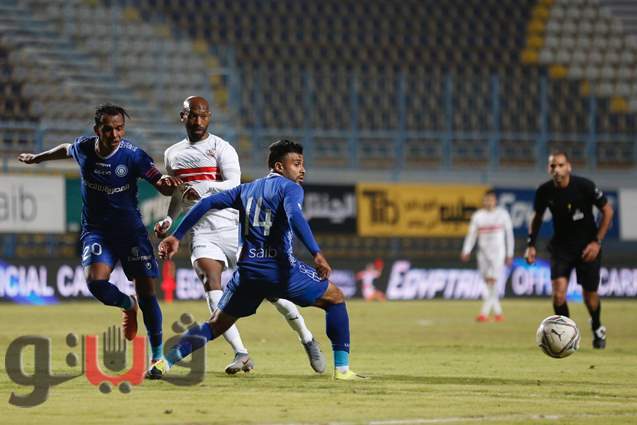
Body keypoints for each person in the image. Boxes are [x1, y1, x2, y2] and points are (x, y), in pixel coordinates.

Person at [148, 139, 366, 380]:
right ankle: (342, 369)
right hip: (279, 270)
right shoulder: (290, 188)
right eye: (296, 164)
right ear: (279, 167)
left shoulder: (246, 189)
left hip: (248, 273)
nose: (302, 170)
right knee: (335, 299)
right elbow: (294, 215)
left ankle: (163, 363)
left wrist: (177, 236)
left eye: (302, 164)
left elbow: (207, 203)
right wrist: (316, 252)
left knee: (215, 325)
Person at [154, 96, 325, 374]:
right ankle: (241, 352)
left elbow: (234, 185)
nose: (198, 121)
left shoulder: (222, 148)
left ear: (209, 117)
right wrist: (170, 220)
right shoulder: (172, 153)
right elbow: (179, 194)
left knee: (273, 293)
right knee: (211, 285)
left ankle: (306, 337)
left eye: (203, 115)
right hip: (202, 232)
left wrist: (203, 188)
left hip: (235, 228)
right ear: (183, 117)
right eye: (193, 115)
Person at [17, 104, 181, 363]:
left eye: (119, 128)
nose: (115, 134)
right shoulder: (84, 148)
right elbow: (66, 149)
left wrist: (169, 185)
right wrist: (38, 158)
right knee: (95, 283)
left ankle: (157, 357)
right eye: (108, 129)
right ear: (97, 130)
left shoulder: (134, 156)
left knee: (148, 293)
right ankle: (128, 304)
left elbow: (160, 183)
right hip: (97, 231)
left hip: (130, 232)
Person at [525, 150, 613, 349]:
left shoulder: (584, 186)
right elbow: (537, 218)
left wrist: (596, 242)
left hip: (587, 248)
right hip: (561, 248)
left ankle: (597, 326)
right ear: (548, 169)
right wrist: (531, 244)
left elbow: (607, 211)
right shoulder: (544, 191)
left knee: (590, 297)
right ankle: (566, 334)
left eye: (560, 165)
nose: (556, 169)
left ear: (569, 167)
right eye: (553, 166)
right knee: (558, 295)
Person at [461, 190, 514, 322]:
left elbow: (509, 235)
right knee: (488, 284)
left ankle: (483, 314)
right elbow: (471, 235)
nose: (488, 202)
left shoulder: (502, 214)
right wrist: (466, 250)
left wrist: (509, 253)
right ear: (483, 201)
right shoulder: (478, 216)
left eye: (490, 200)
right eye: (486, 200)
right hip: (483, 254)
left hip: (498, 253)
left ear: (495, 201)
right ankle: (498, 314)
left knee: (492, 281)